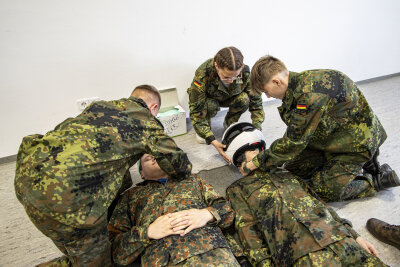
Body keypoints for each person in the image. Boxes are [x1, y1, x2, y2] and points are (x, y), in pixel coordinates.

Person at [14, 85, 192, 266]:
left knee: (73, 245)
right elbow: (179, 164)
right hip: (66, 199)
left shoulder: (98, 107)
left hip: (27, 177)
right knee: (99, 260)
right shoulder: (145, 120)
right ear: (154, 108)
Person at [223, 122, 387, 266]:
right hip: (303, 254)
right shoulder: (237, 189)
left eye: (241, 161)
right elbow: (248, 231)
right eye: (238, 163)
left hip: (340, 238)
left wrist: (354, 236)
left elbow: (321, 205)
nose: (240, 167)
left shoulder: (287, 174)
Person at [241, 55, 400, 202]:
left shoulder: (309, 96)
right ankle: (365, 165)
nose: (268, 96)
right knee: (294, 169)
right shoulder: (301, 83)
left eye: (266, 91)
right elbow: (298, 131)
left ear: (276, 81)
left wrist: (254, 163)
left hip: (355, 144)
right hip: (333, 135)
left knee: (322, 190)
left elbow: (293, 142)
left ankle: (377, 181)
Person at [108, 153, 239, 266]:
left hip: (215, 256)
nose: (155, 158)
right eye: (148, 159)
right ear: (141, 173)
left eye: (159, 156)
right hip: (162, 259)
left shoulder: (193, 180)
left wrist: (206, 214)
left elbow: (227, 210)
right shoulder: (130, 196)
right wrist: (147, 232)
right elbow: (115, 252)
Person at [187, 46, 265, 163]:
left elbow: (256, 101)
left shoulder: (245, 73)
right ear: (216, 66)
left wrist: (257, 127)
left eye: (235, 76)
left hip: (231, 97)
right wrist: (211, 139)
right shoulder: (203, 74)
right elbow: (196, 111)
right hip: (210, 100)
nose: (231, 80)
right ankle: (205, 129)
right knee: (210, 106)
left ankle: (229, 123)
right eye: (226, 77)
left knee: (244, 99)